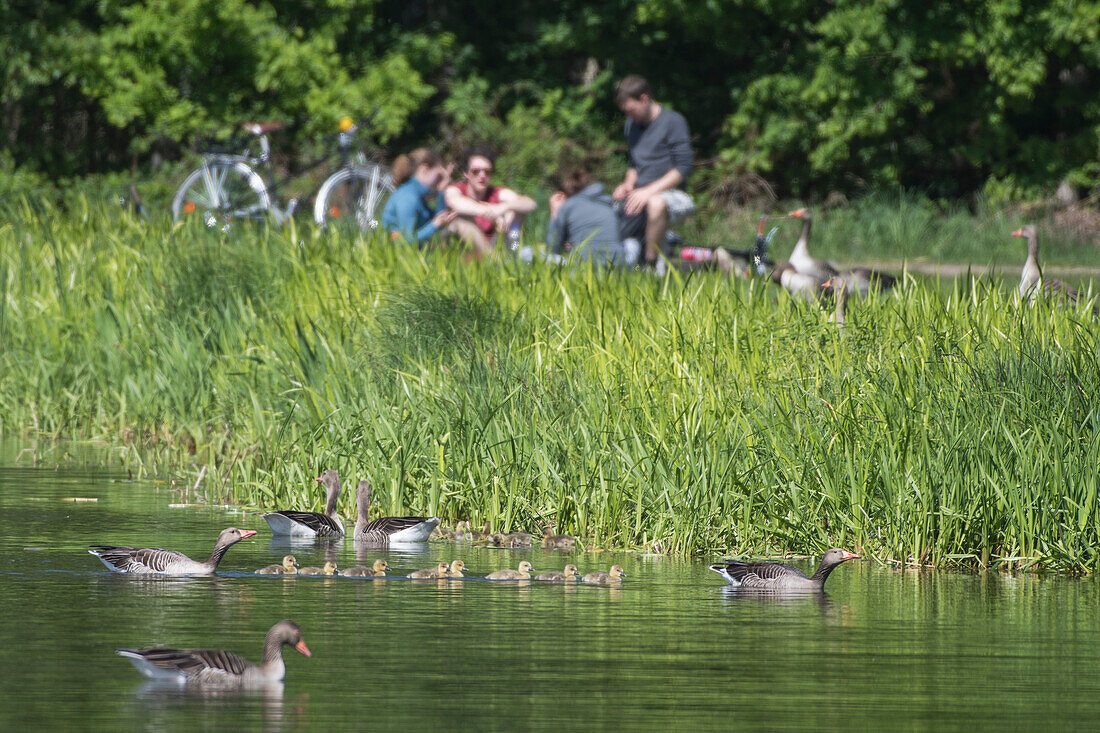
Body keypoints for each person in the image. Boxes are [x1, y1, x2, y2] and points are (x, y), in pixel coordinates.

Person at [611, 75, 695, 267]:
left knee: (655, 204)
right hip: (639, 193)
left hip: (672, 195)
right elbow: (634, 164)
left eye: (631, 110)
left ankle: (650, 266)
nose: (628, 116)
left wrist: (648, 192)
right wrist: (627, 185)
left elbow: (683, 167)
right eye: (625, 112)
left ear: (645, 99)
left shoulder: (674, 122)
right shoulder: (631, 126)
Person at [444, 144, 537, 257]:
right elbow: (454, 202)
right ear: (465, 173)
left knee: (517, 215)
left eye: (487, 172)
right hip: (465, 254)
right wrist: (491, 213)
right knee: (460, 219)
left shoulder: (496, 192)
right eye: (476, 171)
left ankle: (513, 253)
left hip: (497, 245)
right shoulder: (456, 189)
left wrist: (504, 208)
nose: (482, 176)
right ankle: (494, 260)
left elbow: (530, 203)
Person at [546, 169, 637, 267]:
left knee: (528, 253)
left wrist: (555, 212)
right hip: (617, 265)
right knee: (632, 243)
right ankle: (646, 266)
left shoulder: (568, 205)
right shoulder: (609, 205)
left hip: (583, 265)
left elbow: (553, 247)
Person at [381, 148, 456, 246]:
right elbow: (405, 241)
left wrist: (442, 191)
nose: (440, 180)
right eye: (439, 175)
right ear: (424, 169)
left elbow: (436, 219)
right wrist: (434, 225)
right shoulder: (407, 197)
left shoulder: (417, 194)